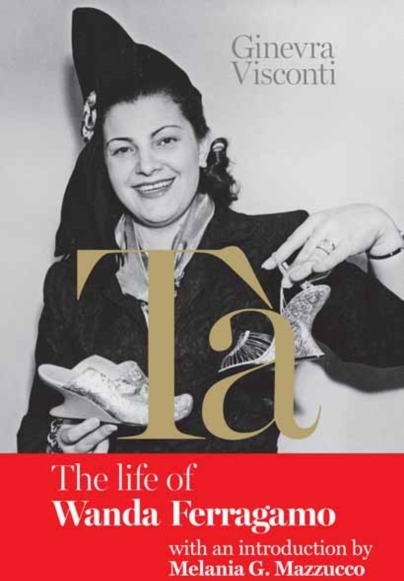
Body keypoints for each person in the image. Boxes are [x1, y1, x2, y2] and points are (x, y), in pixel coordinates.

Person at [17, 8, 404, 454]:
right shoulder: (70, 283)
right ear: (104, 163)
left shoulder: (277, 249)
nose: (146, 165)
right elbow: (36, 431)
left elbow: (392, 343)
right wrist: (60, 444)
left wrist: (383, 235)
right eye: (123, 149)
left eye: (165, 140)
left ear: (202, 146)